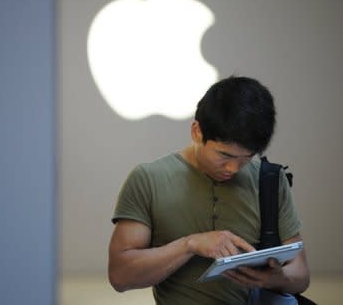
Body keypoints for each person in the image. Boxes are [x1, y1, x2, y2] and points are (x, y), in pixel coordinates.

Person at [108, 76, 310, 304]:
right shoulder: (147, 179)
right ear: (196, 132)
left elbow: (301, 275)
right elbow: (120, 276)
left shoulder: (271, 179)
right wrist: (190, 244)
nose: (233, 168)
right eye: (225, 155)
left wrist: (277, 278)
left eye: (246, 157)